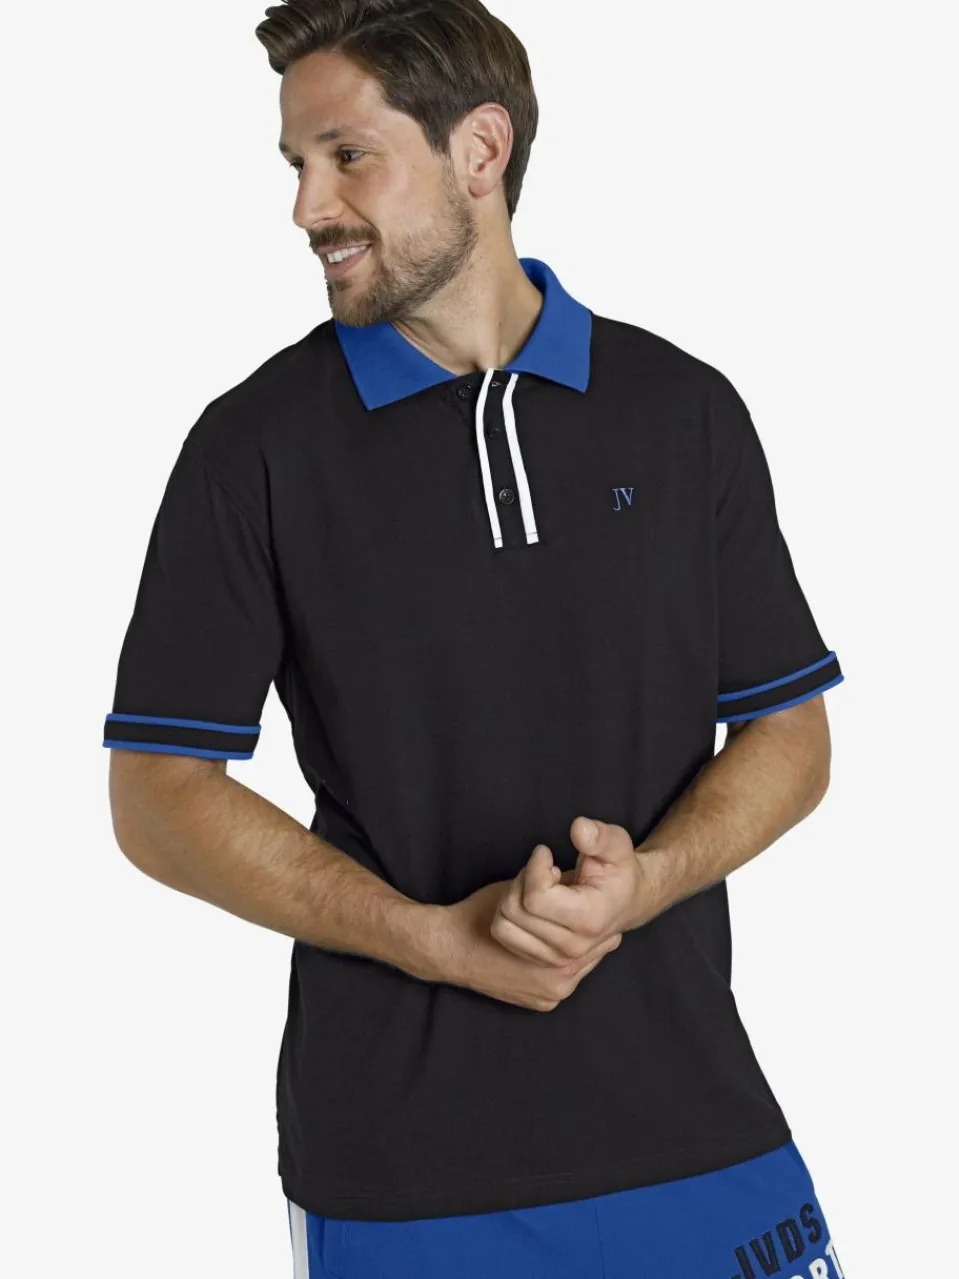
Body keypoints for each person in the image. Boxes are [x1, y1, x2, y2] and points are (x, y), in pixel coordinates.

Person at [103, 1, 848, 1275]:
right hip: (406, 1170)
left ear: (480, 151)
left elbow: (789, 729)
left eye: (347, 156)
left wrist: (651, 878)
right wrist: (432, 938)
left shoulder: (681, 411)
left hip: (697, 1122)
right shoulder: (254, 448)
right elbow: (157, 792)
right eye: (296, 165)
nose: (308, 208)